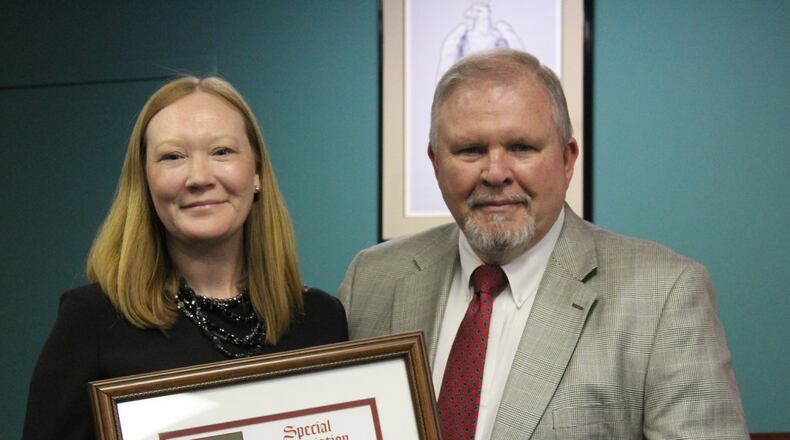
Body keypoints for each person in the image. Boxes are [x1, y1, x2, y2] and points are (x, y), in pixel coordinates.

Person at [339, 49, 748, 439]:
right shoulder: (372, 280)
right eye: (470, 150)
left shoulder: (665, 296)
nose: (495, 172)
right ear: (435, 163)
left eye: (521, 147)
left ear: (567, 159)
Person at [23, 76, 348, 439]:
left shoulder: (321, 320)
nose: (199, 177)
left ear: (256, 172)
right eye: (173, 156)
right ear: (145, 182)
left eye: (221, 151)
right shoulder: (93, 322)